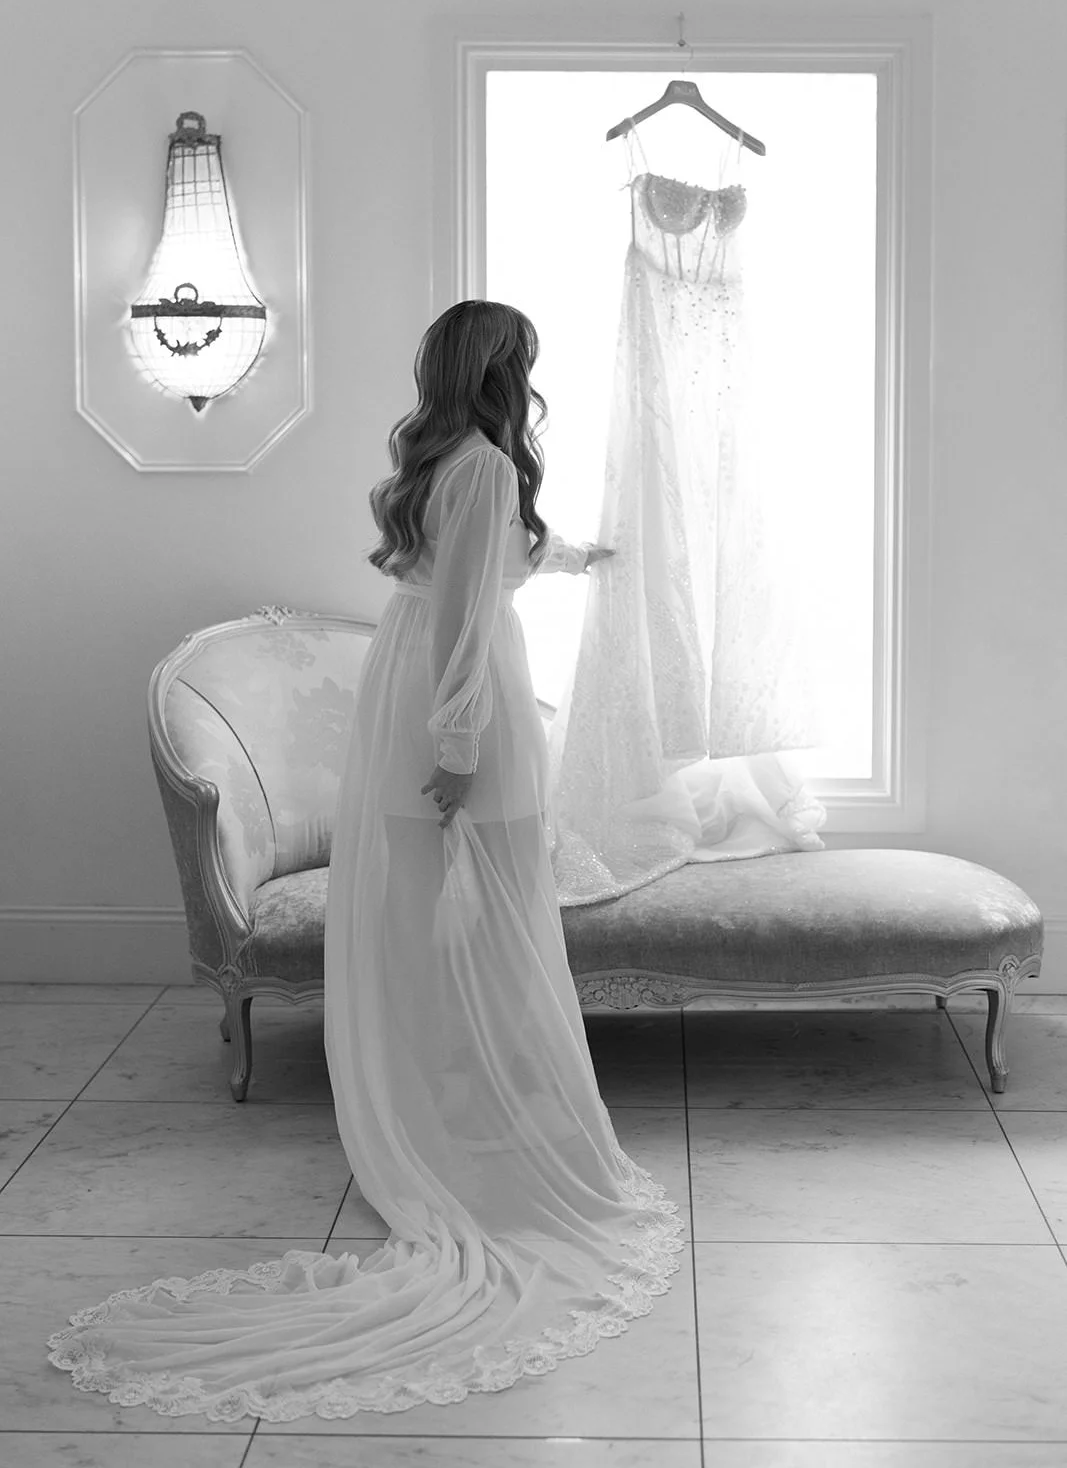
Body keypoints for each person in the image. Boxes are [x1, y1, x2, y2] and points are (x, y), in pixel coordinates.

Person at [45, 298, 685, 1423]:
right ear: (500, 370)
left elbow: (467, 570)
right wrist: (455, 750)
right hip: (455, 693)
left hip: (417, 679)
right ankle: (474, 1116)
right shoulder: (484, 464)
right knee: (486, 905)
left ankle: (454, 1095)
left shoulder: (446, 455)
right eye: (524, 362)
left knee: (456, 907)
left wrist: (575, 555)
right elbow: (462, 620)